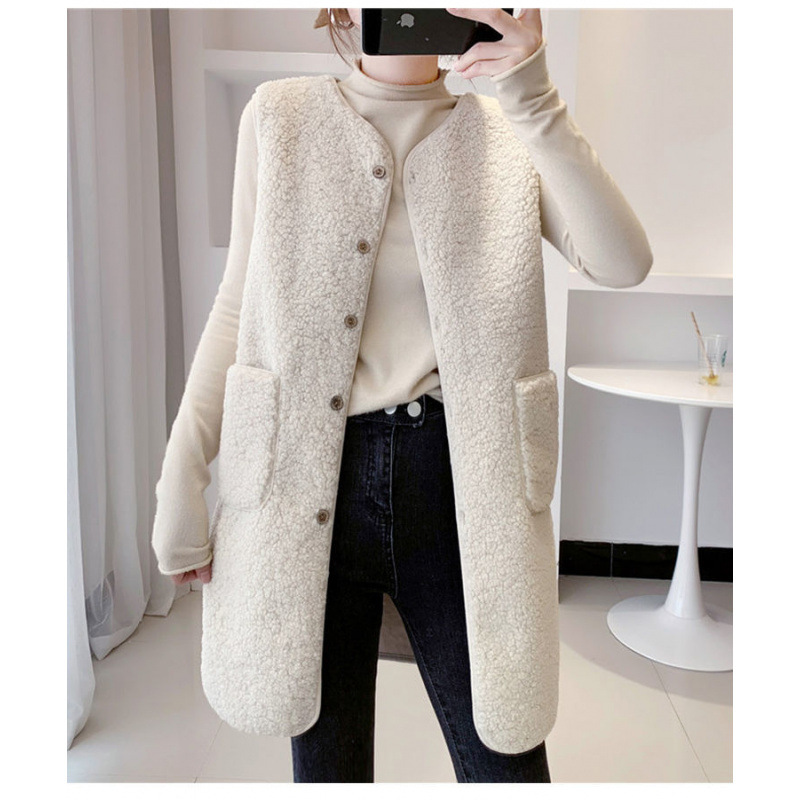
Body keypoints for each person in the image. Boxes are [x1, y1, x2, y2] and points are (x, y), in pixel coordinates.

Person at [152, 7, 653, 784]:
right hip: (306, 485)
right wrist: (182, 474)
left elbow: (623, 262)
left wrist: (532, 94)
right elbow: (235, 307)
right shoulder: (279, 119)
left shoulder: (509, 129)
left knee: (507, 757)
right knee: (329, 765)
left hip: (459, 488)